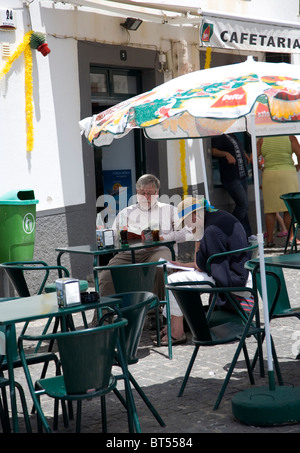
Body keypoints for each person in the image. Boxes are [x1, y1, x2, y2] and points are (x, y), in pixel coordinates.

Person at [155, 197, 254, 347]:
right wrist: (184, 265)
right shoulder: (218, 217)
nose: (188, 226)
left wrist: (197, 239)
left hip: (232, 279)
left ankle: (176, 332)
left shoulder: (210, 230)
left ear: (194, 216)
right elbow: (209, 262)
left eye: (187, 222)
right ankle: (173, 325)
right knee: (179, 279)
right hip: (237, 273)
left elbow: (202, 265)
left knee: (174, 281)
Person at [98, 174, 190, 300]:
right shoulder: (126, 212)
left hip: (159, 250)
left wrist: (162, 238)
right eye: (142, 193)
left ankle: (154, 315)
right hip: (130, 254)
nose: (146, 197)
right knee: (107, 275)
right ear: (137, 192)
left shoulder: (169, 210)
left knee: (159, 268)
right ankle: (105, 316)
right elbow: (114, 236)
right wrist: (108, 235)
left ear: (157, 192)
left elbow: (186, 233)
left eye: (150, 193)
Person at [257, 135, 300, 247]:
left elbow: (253, 158)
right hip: (288, 174)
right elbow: (299, 154)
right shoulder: (290, 137)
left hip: (269, 175)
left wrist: (261, 167)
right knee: (288, 208)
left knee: (270, 210)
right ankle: (291, 238)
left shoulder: (262, 139)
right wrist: (298, 166)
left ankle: (270, 240)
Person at [211, 133, 254, 241]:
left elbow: (234, 148)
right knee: (243, 204)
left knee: (244, 206)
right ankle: (228, 230)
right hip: (231, 177)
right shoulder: (219, 135)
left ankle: (247, 235)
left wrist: (242, 153)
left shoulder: (233, 135)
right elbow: (212, 150)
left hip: (242, 175)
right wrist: (226, 154)